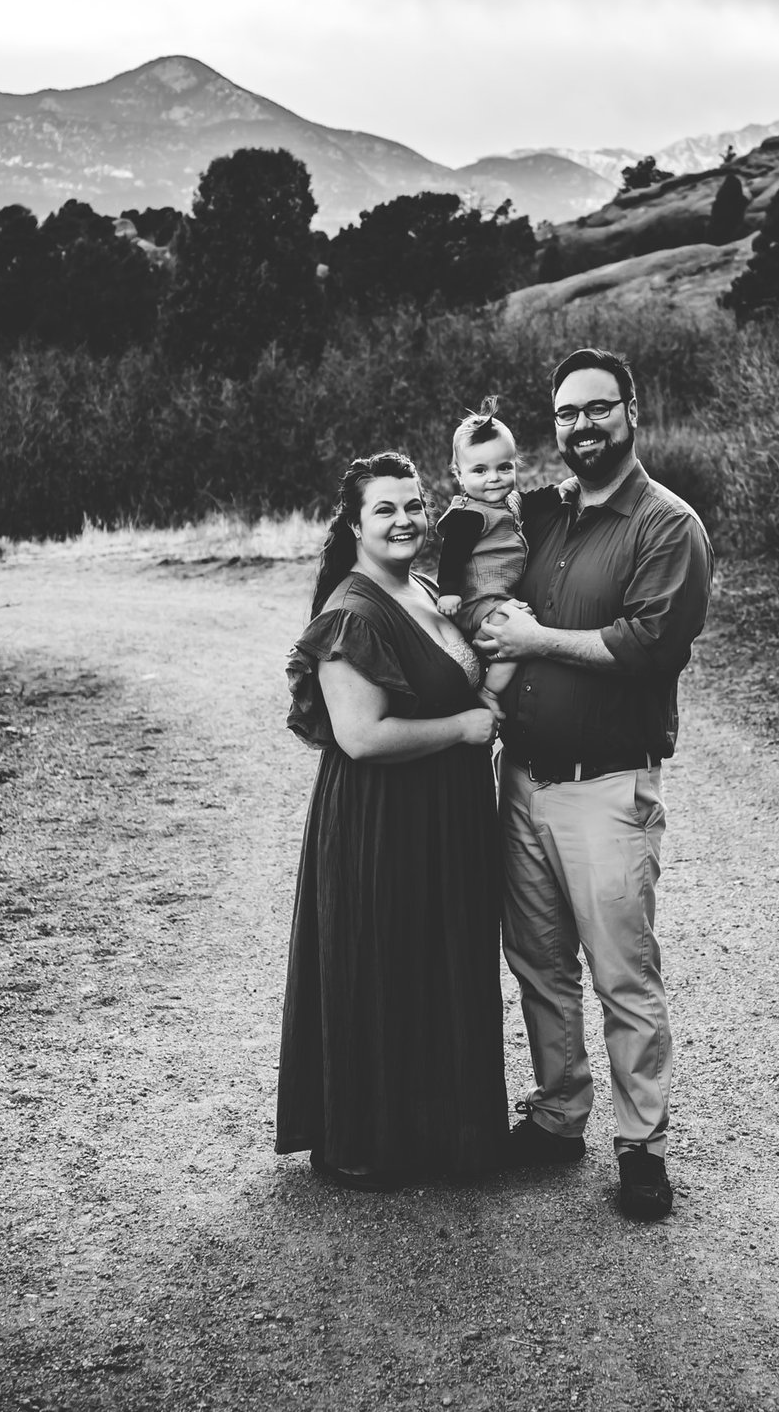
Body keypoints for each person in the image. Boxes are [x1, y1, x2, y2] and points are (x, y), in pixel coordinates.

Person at [476, 348, 713, 1222]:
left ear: (632, 412)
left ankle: (642, 1147)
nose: (582, 426)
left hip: (608, 790)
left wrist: (534, 640)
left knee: (623, 973)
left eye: (597, 409)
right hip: (523, 785)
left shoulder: (666, 524)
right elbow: (473, 548)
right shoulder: (543, 517)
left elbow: (649, 644)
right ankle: (559, 1113)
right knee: (537, 962)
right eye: (567, 413)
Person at [277, 452, 507, 1189]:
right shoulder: (352, 611)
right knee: (387, 963)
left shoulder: (424, 590)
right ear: (353, 523)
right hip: (383, 820)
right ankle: (375, 1139)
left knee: (436, 961)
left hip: (443, 815)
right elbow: (361, 735)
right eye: (386, 508)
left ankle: (441, 1131)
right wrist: (465, 728)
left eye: (414, 504)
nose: (406, 519)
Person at [431, 404, 528, 708]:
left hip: (496, 596)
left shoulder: (509, 501)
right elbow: (452, 554)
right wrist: (447, 591)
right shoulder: (469, 516)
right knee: (519, 630)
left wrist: (563, 491)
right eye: (480, 471)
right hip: (477, 601)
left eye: (504, 467)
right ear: (460, 476)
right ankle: (489, 692)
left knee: (518, 626)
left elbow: (534, 501)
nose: (494, 478)